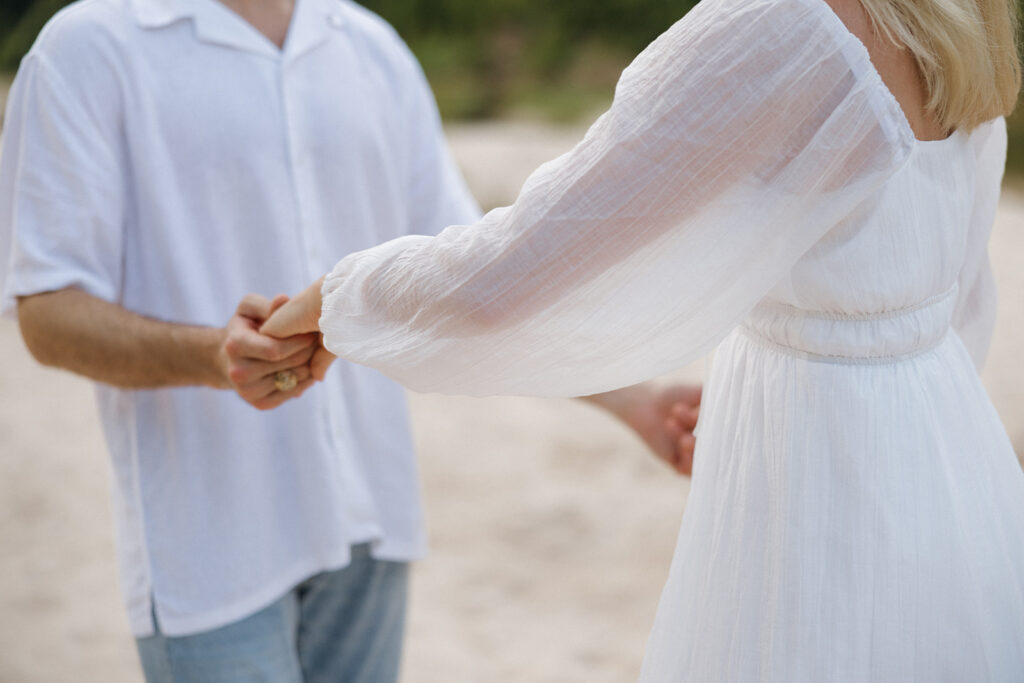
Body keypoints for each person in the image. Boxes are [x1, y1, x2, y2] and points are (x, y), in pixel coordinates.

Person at [261, 0, 1024, 678]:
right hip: (951, 459)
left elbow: (513, 274)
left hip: (818, 463)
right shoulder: (962, 20)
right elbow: (962, 297)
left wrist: (344, 295)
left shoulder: (780, 26)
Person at [0, 0, 702, 680]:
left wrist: (636, 401)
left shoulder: (372, 49)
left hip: (370, 520)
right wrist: (211, 354)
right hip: (209, 544)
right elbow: (46, 310)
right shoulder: (88, 47)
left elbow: (476, 292)